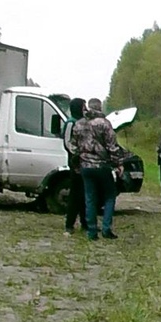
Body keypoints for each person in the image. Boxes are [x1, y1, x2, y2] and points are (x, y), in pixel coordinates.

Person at [67, 97, 122, 240]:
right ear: (100, 107)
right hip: (102, 166)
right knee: (110, 196)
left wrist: (79, 160)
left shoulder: (79, 124)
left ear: (88, 108)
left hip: (85, 167)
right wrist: (118, 163)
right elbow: (112, 146)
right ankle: (106, 228)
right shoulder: (105, 124)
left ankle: (91, 231)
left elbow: (73, 146)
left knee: (90, 197)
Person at [61, 97, 89, 236]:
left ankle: (85, 223)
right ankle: (69, 224)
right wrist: (78, 154)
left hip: (84, 162)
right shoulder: (71, 123)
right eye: (83, 106)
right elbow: (67, 143)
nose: (85, 109)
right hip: (75, 163)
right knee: (75, 195)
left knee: (85, 194)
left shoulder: (83, 122)